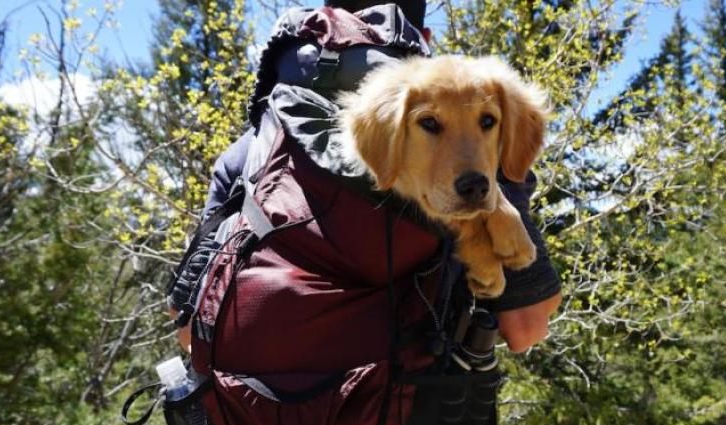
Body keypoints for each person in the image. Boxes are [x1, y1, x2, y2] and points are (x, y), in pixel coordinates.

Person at [169, 0, 561, 355]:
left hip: (259, 416)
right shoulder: (478, 157)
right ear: (422, 39)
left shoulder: (255, 147)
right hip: (403, 413)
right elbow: (526, 328)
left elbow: (187, 327)